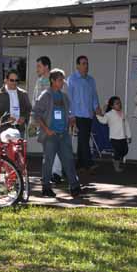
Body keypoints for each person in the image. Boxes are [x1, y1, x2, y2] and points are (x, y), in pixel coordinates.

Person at [32, 69, 81, 198]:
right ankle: (46, 188)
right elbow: (36, 114)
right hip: (50, 135)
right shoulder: (45, 95)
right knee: (48, 162)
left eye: (63, 80)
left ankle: (74, 186)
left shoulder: (64, 96)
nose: (62, 82)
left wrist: (71, 119)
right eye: (60, 80)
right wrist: (46, 129)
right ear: (53, 81)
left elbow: (68, 112)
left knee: (69, 160)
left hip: (63, 134)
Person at [67, 56, 101, 173]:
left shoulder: (91, 80)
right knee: (84, 139)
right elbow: (69, 98)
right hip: (77, 114)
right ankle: (89, 163)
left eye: (87, 63)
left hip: (89, 114)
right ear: (77, 66)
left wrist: (97, 107)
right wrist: (71, 115)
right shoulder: (71, 79)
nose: (85, 66)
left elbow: (94, 95)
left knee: (83, 139)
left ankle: (80, 164)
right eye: (83, 63)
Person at [32, 56, 63, 183]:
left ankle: (55, 173)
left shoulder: (54, 81)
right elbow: (35, 100)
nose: (37, 69)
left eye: (39, 66)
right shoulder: (39, 81)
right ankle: (50, 173)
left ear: (46, 67)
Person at [0, 69, 32, 135]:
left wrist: (24, 117)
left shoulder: (23, 94)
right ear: (5, 80)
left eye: (16, 80)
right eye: (12, 80)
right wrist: (6, 119)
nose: (14, 82)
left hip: (19, 130)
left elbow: (29, 110)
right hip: (3, 131)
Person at [97, 96, 131, 173]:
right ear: (112, 106)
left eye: (120, 103)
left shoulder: (122, 113)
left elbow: (126, 124)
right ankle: (116, 166)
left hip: (123, 137)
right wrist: (98, 115)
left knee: (125, 150)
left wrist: (129, 135)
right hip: (114, 137)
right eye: (117, 103)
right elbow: (103, 121)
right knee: (117, 151)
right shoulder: (109, 114)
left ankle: (117, 159)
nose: (119, 104)